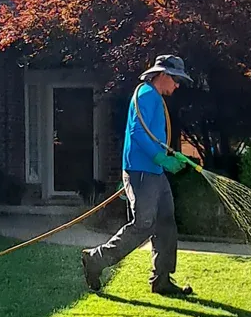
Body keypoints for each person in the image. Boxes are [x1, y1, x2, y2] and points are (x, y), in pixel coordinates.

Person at [81, 55, 193, 295]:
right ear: (163, 75)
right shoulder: (146, 95)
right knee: (144, 224)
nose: (178, 85)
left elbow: (151, 135)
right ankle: (96, 259)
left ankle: (161, 280)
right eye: (176, 79)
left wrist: (168, 157)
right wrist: (160, 158)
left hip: (153, 171)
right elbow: (138, 133)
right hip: (143, 172)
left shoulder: (153, 97)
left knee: (165, 222)